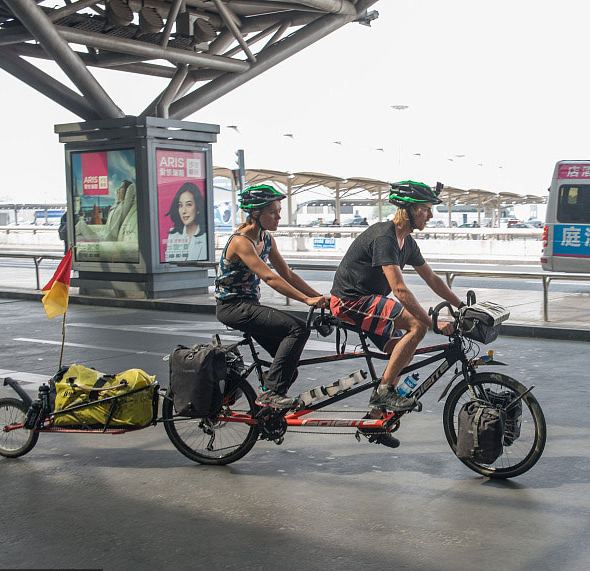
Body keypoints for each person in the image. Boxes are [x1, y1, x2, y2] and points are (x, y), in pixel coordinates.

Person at [329, 180, 461, 447]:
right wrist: (433, 322)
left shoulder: (406, 242)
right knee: (418, 327)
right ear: (408, 210)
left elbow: (432, 278)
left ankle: (374, 420)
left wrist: (461, 305)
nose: (430, 215)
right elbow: (399, 290)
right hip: (350, 301)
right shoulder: (385, 237)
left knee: (400, 353)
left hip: (369, 300)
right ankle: (385, 393)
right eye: (425, 209)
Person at [215, 184, 329, 410]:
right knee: (298, 329)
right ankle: (270, 394)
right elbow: (269, 278)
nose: (278, 216)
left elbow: (287, 274)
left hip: (249, 305)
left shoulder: (266, 238)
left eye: (279, 211)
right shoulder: (241, 241)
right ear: (256, 214)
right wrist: (306, 301)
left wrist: (321, 298)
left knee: (287, 367)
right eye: (273, 212)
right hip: (232, 307)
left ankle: (265, 411)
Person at [164, 182, 208, 261]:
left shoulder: (206, 236)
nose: (184, 211)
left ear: (197, 208)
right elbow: (169, 263)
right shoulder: (174, 234)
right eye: (180, 205)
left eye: (188, 204)